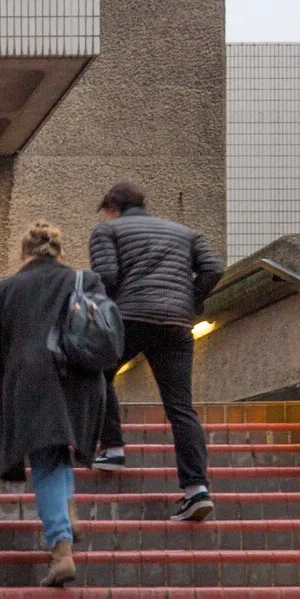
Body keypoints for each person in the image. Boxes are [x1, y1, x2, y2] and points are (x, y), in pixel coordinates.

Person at [0, 219, 107, 585]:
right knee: (59, 451)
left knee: (45, 459)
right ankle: (69, 511)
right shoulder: (85, 281)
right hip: (81, 383)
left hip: (32, 384)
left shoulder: (5, 290)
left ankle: (60, 547)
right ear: (61, 253)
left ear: (23, 254)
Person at [88, 179, 223, 522]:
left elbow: (106, 276)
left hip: (130, 317)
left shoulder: (108, 231)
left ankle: (113, 448)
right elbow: (214, 268)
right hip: (176, 324)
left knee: (95, 372)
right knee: (180, 407)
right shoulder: (185, 233)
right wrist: (189, 302)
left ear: (112, 207)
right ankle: (196, 489)